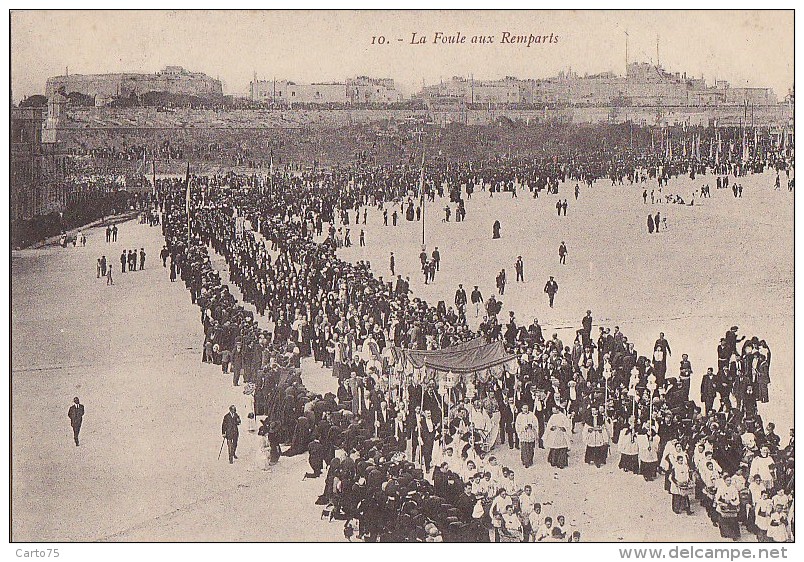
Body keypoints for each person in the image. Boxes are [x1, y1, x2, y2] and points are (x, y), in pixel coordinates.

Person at [515, 403, 538, 468]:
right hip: (523, 434)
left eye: (526, 408)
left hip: (530, 433)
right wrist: (523, 427)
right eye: (524, 408)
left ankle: (530, 460)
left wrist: (531, 425)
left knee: (530, 448)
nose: (525, 409)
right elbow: (517, 425)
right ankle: (525, 461)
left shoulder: (532, 415)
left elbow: (535, 423)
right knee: (524, 448)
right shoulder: (519, 416)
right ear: (521, 409)